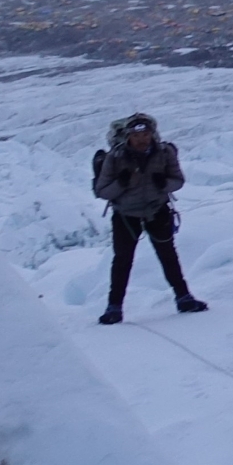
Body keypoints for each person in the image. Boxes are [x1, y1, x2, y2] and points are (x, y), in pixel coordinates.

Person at [91, 112, 208, 324]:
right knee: (123, 261)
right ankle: (114, 307)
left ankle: (183, 297)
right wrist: (122, 184)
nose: (142, 139)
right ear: (128, 136)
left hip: (156, 210)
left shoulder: (164, 152)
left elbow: (178, 180)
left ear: (152, 133)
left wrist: (164, 184)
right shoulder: (115, 157)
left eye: (145, 134)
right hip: (127, 215)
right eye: (137, 135)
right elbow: (102, 191)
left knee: (167, 256)